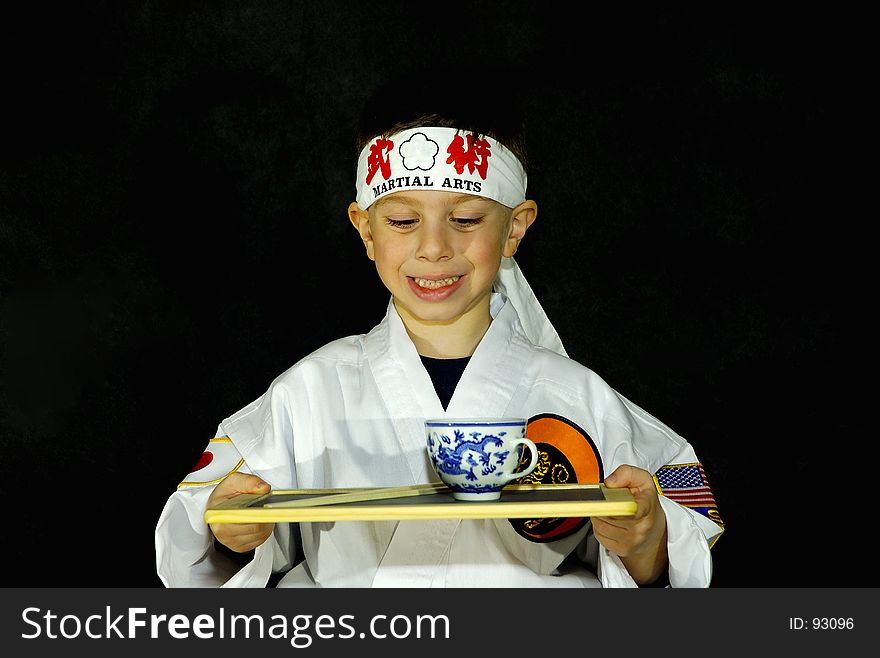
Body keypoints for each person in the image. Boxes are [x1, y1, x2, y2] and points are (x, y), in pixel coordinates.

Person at [155, 73, 724, 588]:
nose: (433, 248)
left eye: (467, 219)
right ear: (365, 229)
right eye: (402, 221)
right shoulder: (309, 391)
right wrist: (231, 533)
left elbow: (675, 533)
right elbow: (203, 549)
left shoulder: (576, 396)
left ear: (514, 228)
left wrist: (646, 542)